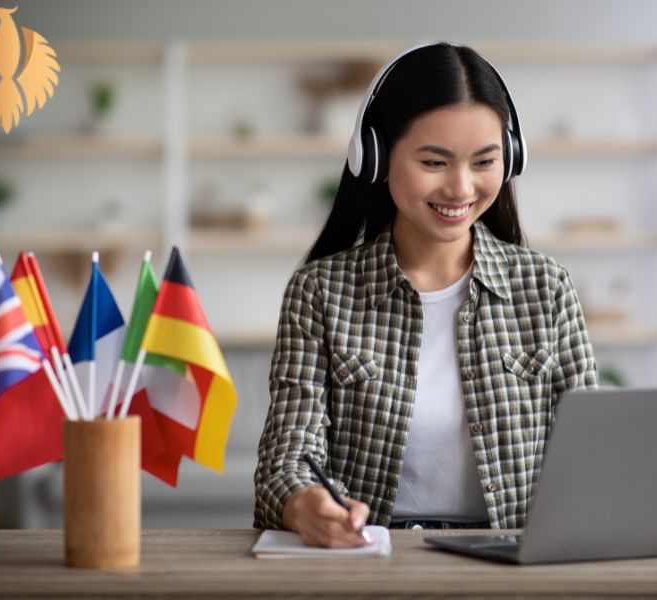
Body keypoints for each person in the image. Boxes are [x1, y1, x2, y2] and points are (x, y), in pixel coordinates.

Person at [253, 42, 598, 548]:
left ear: (512, 158)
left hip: (510, 564)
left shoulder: (546, 289)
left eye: (484, 161)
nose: (461, 188)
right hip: (370, 558)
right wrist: (305, 503)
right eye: (434, 162)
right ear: (376, 157)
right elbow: (287, 457)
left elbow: (590, 453)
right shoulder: (319, 293)